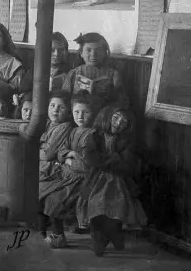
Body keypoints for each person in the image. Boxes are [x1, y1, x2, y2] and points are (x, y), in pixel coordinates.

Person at [77, 104, 147, 256]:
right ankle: (99, 239)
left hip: (119, 180)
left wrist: (109, 161)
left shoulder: (127, 142)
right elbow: (91, 158)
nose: (118, 123)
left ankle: (112, 235)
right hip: (96, 179)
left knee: (117, 206)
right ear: (107, 117)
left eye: (123, 121)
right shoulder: (95, 136)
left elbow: (127, 164)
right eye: (116, 117)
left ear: (127, 126)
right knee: (95, 205)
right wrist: (114, 158)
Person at [38, 92, 103, 248]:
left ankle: (59, 236)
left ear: (93, 113)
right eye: (76, 112)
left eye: (85, 112)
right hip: (66, 174)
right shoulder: (73, 130)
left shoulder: (92, 135)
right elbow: (60, 151)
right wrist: (69, 154)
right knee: (41, 189)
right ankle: (49, 233)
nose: (80, 116)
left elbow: (86, 164)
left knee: (55, 199)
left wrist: (70, 157)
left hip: (83, 178)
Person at [62, 32, 127, 107]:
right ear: (81, 53)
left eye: (98, 50)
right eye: (88, 50)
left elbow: (122, 101)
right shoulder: (73, 73)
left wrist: (104, 93)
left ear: (105, 53)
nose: (93, 54)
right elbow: (63, 99)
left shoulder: (114, 75)